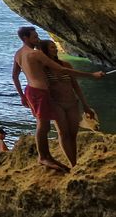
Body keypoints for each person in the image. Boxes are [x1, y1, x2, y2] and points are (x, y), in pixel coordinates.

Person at [11, 25, 104, 171]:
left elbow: (15, 76)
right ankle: (43, 157)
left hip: (31, 91)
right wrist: (92, 75)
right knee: (43, 126)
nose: (38, 39)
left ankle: (47, 156)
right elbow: (61, 69)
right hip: (39, 92)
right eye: (34, 37)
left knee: (45, 126)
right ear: (25, 38)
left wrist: (22, 95)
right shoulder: (36, 54)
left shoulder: (18, 54)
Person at [42, 39, 97, 167]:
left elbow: (76, 86)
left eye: (55, 47)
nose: (55, 49)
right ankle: (72, 164)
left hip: (72, 102)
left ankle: (75, 161)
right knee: (63, 133)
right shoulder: (44, 69)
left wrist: (85, 105)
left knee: (73, 133)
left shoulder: (66, 65)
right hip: (56, 104)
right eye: (51, 47)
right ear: (44, 50)